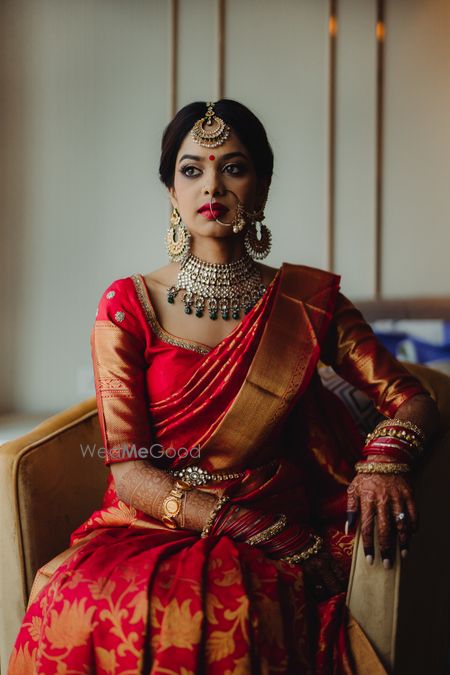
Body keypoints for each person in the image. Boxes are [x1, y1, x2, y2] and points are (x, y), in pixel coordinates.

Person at [8, 100, 439, 674]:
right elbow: (130, 470)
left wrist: (382, 462)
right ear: (171, 192)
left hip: (274, 517)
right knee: (85, 596)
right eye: (192, 170)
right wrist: (254, 528)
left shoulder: (307, 303)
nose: (212, 184)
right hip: (156, 520)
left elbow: (413, 400)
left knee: (220, 611)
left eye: (233, 167)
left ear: (260, 186)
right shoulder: (127, 304)